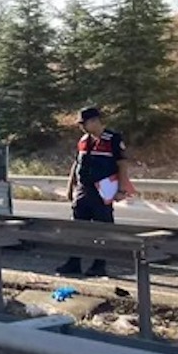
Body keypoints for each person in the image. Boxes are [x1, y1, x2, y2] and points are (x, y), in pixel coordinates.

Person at [57, 107, 136, 277]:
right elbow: (76, 164)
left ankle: (99, 264)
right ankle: (74, 262)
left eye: (83, 123)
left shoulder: (113, 139)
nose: (82, 127)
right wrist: (70, 187)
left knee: (102, 229)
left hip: (102, 191)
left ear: (94, 121)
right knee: (77, 227)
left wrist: (121, 189)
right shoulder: (84, 140)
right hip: (83, 190)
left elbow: (122, 165)